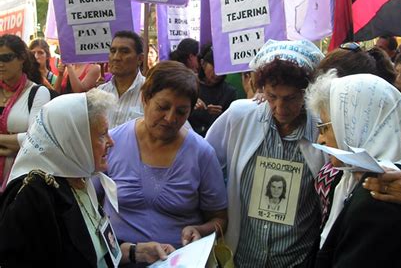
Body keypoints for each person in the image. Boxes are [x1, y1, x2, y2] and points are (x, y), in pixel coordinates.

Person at [0, 89, 175, 267]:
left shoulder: (79, 177)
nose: (111, 142)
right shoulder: (33, 197)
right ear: (73, 141)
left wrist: (137, 252)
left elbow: (96, 247)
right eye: (102, 134)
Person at [306, 72, 401, 267]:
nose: (320, 139)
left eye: (325, 128)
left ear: (351, 125)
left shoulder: (383, 192)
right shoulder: (351, 178)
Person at [206, 39, 325, 268]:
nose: (280, 108)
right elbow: (207, 164)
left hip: (296, 260)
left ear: (307, 93)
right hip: (243, 258)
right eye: (272, 96)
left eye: (290, 98)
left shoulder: (322, 131)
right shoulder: (240, 117)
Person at [102, 61, 228, 251]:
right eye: (162, 107)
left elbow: (219, 219)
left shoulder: (202, 154)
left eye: (181, 112)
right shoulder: (113, 143)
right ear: (145, 98)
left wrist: (199, 230)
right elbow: (90, 205)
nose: (170, 118)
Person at [0, 34, 51, 192]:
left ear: (22, 58)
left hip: (20, 182)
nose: (1, 64)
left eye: (6, 58)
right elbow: (26, 138)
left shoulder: (38, 93)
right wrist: (16, 142)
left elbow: (37, 138)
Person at [98, 31, 145, 129]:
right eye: (113, 51)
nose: (116, 57)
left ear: (140, 59)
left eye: (125, 52)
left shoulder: (151, 92)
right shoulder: (100, 92)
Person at [188, 44, 237, 137]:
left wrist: (221, 115)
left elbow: (231, 125)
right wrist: (191, 105)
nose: (218, 74)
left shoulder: (229, 92)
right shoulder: (189, 85)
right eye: (214, 68)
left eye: (222, 69)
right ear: (202, 63)